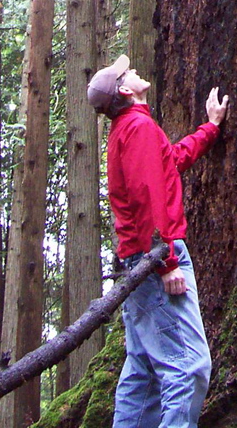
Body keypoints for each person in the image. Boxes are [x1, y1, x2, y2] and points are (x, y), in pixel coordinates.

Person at [87, 53, 229, 428]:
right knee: (189, 366)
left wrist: (210, 129)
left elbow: (170, 162)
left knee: (144, 371)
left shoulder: (132, 129)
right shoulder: (137, 129)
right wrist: (166, 262)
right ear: (125, 90)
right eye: (126, 73)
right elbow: (146, 196)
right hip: (155, 258)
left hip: (139, 260)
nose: (132, 71)